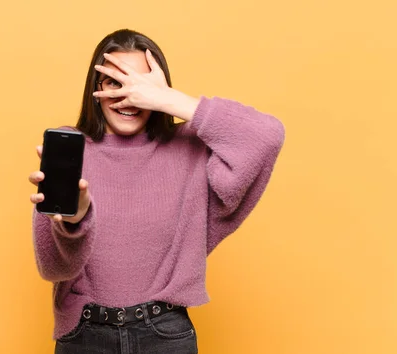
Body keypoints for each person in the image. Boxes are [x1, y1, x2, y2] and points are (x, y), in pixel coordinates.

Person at [28, 29, 285, 354]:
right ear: (95, 90)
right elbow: (53, 269)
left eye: (140, 85)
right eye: (114, 83)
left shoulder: (188, 147)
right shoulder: (70, 149)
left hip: (163, 336)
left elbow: (267, 135)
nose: (128, 97)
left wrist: (169, 100)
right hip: (85, 337)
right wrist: (74, 223)